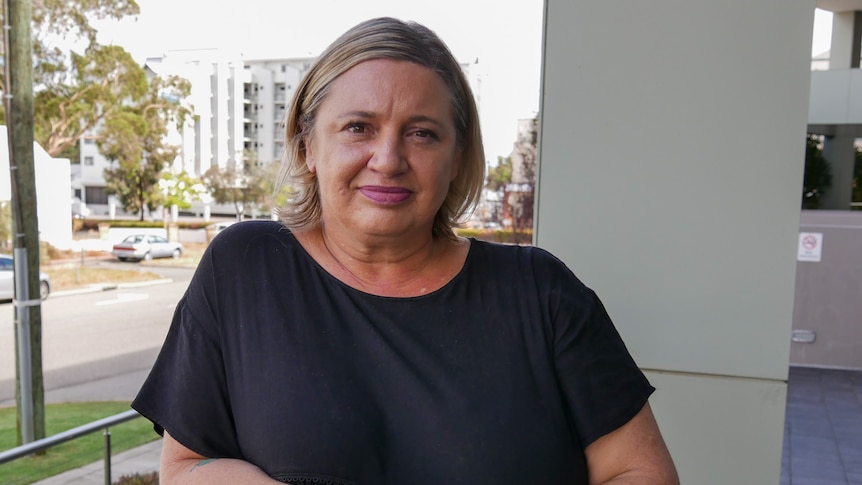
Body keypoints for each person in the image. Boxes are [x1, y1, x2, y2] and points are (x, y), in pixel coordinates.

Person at [132, 16, 679, 485]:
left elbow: (638, 472)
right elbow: (187, 467)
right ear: (308, 146)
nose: (388, 158)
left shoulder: (540, 292)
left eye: (422, 133)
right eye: (358, 127)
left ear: (457, 157)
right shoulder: (245, 269)